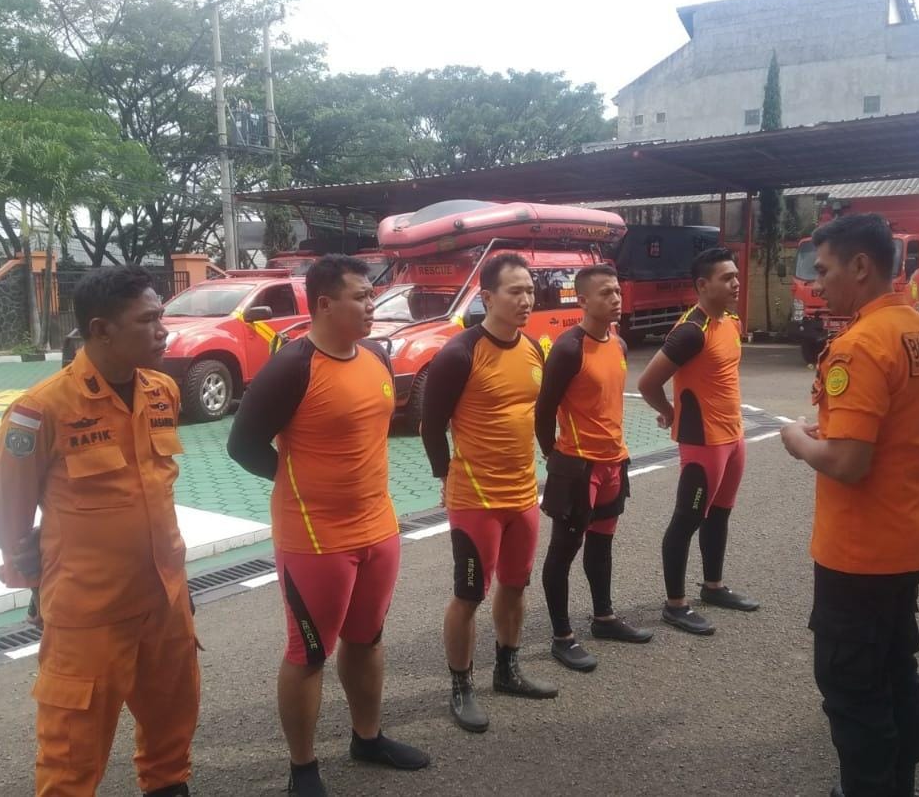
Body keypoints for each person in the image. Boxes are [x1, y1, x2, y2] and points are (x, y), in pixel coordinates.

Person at [0, 265, 199, 797]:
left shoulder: (163, 392)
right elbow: (8, 514)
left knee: (172, 743)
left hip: (166, 602)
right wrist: (34, 577)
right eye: (148, 320)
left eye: (162, 316)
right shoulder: (40, 410)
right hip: (89, 619)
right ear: (102, 330)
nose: (162, 330)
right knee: (71, 764)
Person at [227, 255, 429, 797]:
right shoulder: (292, 367)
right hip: (315, 539)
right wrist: (297, 482)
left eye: (371, 297)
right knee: (309, 653)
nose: (371, 306)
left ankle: (368, 738)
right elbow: (241, 446)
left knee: (367, 640)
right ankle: (303, 768)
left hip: (379, 527)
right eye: (361, 297)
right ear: (323, 304)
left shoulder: (378, 357)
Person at [779, 214, 919, 797]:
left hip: (860, 552)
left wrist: (800, 442)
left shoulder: (859, 346)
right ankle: (897, 780)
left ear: (861, 266)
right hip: (909, 537)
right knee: (896, 666)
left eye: (824, 270)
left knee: (852, 684)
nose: (819, 282)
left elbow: (849, 463)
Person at [421, 252, 558, 734]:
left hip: (524, 495)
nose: (526, 299)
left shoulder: (532, 349)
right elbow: (431, 424)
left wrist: (553, 458)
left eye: (529, 290)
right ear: (487, 297)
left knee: (516, 584)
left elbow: (537, 415)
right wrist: (444, 477)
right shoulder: (460, 353)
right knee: (469, 593)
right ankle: (461, 685)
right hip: (475, 498)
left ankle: (508, 668)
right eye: (514, 291)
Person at [535, 264, 654, 672]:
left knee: (602, 545)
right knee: (563, 552)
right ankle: (562, 636)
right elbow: (544, 409)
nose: (616, 299)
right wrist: (556, 457)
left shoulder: (618, 344)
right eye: (605, 293)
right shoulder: (569, 349)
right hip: (578, 467)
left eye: (618, 291)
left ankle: (603, 618)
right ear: (583, 301)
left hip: (613, 465)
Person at [637, 247, 760, 638]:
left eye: (736, 276)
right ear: (703, 286)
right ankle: (675, 605)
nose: (736, 283)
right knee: (686, 520)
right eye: (727, 278)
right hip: (703, 441)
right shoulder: (692, 331)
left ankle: (713, 587)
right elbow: (647, 383)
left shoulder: (731, 322)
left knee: (720, 513)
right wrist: (670, 413)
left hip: (733, 436)